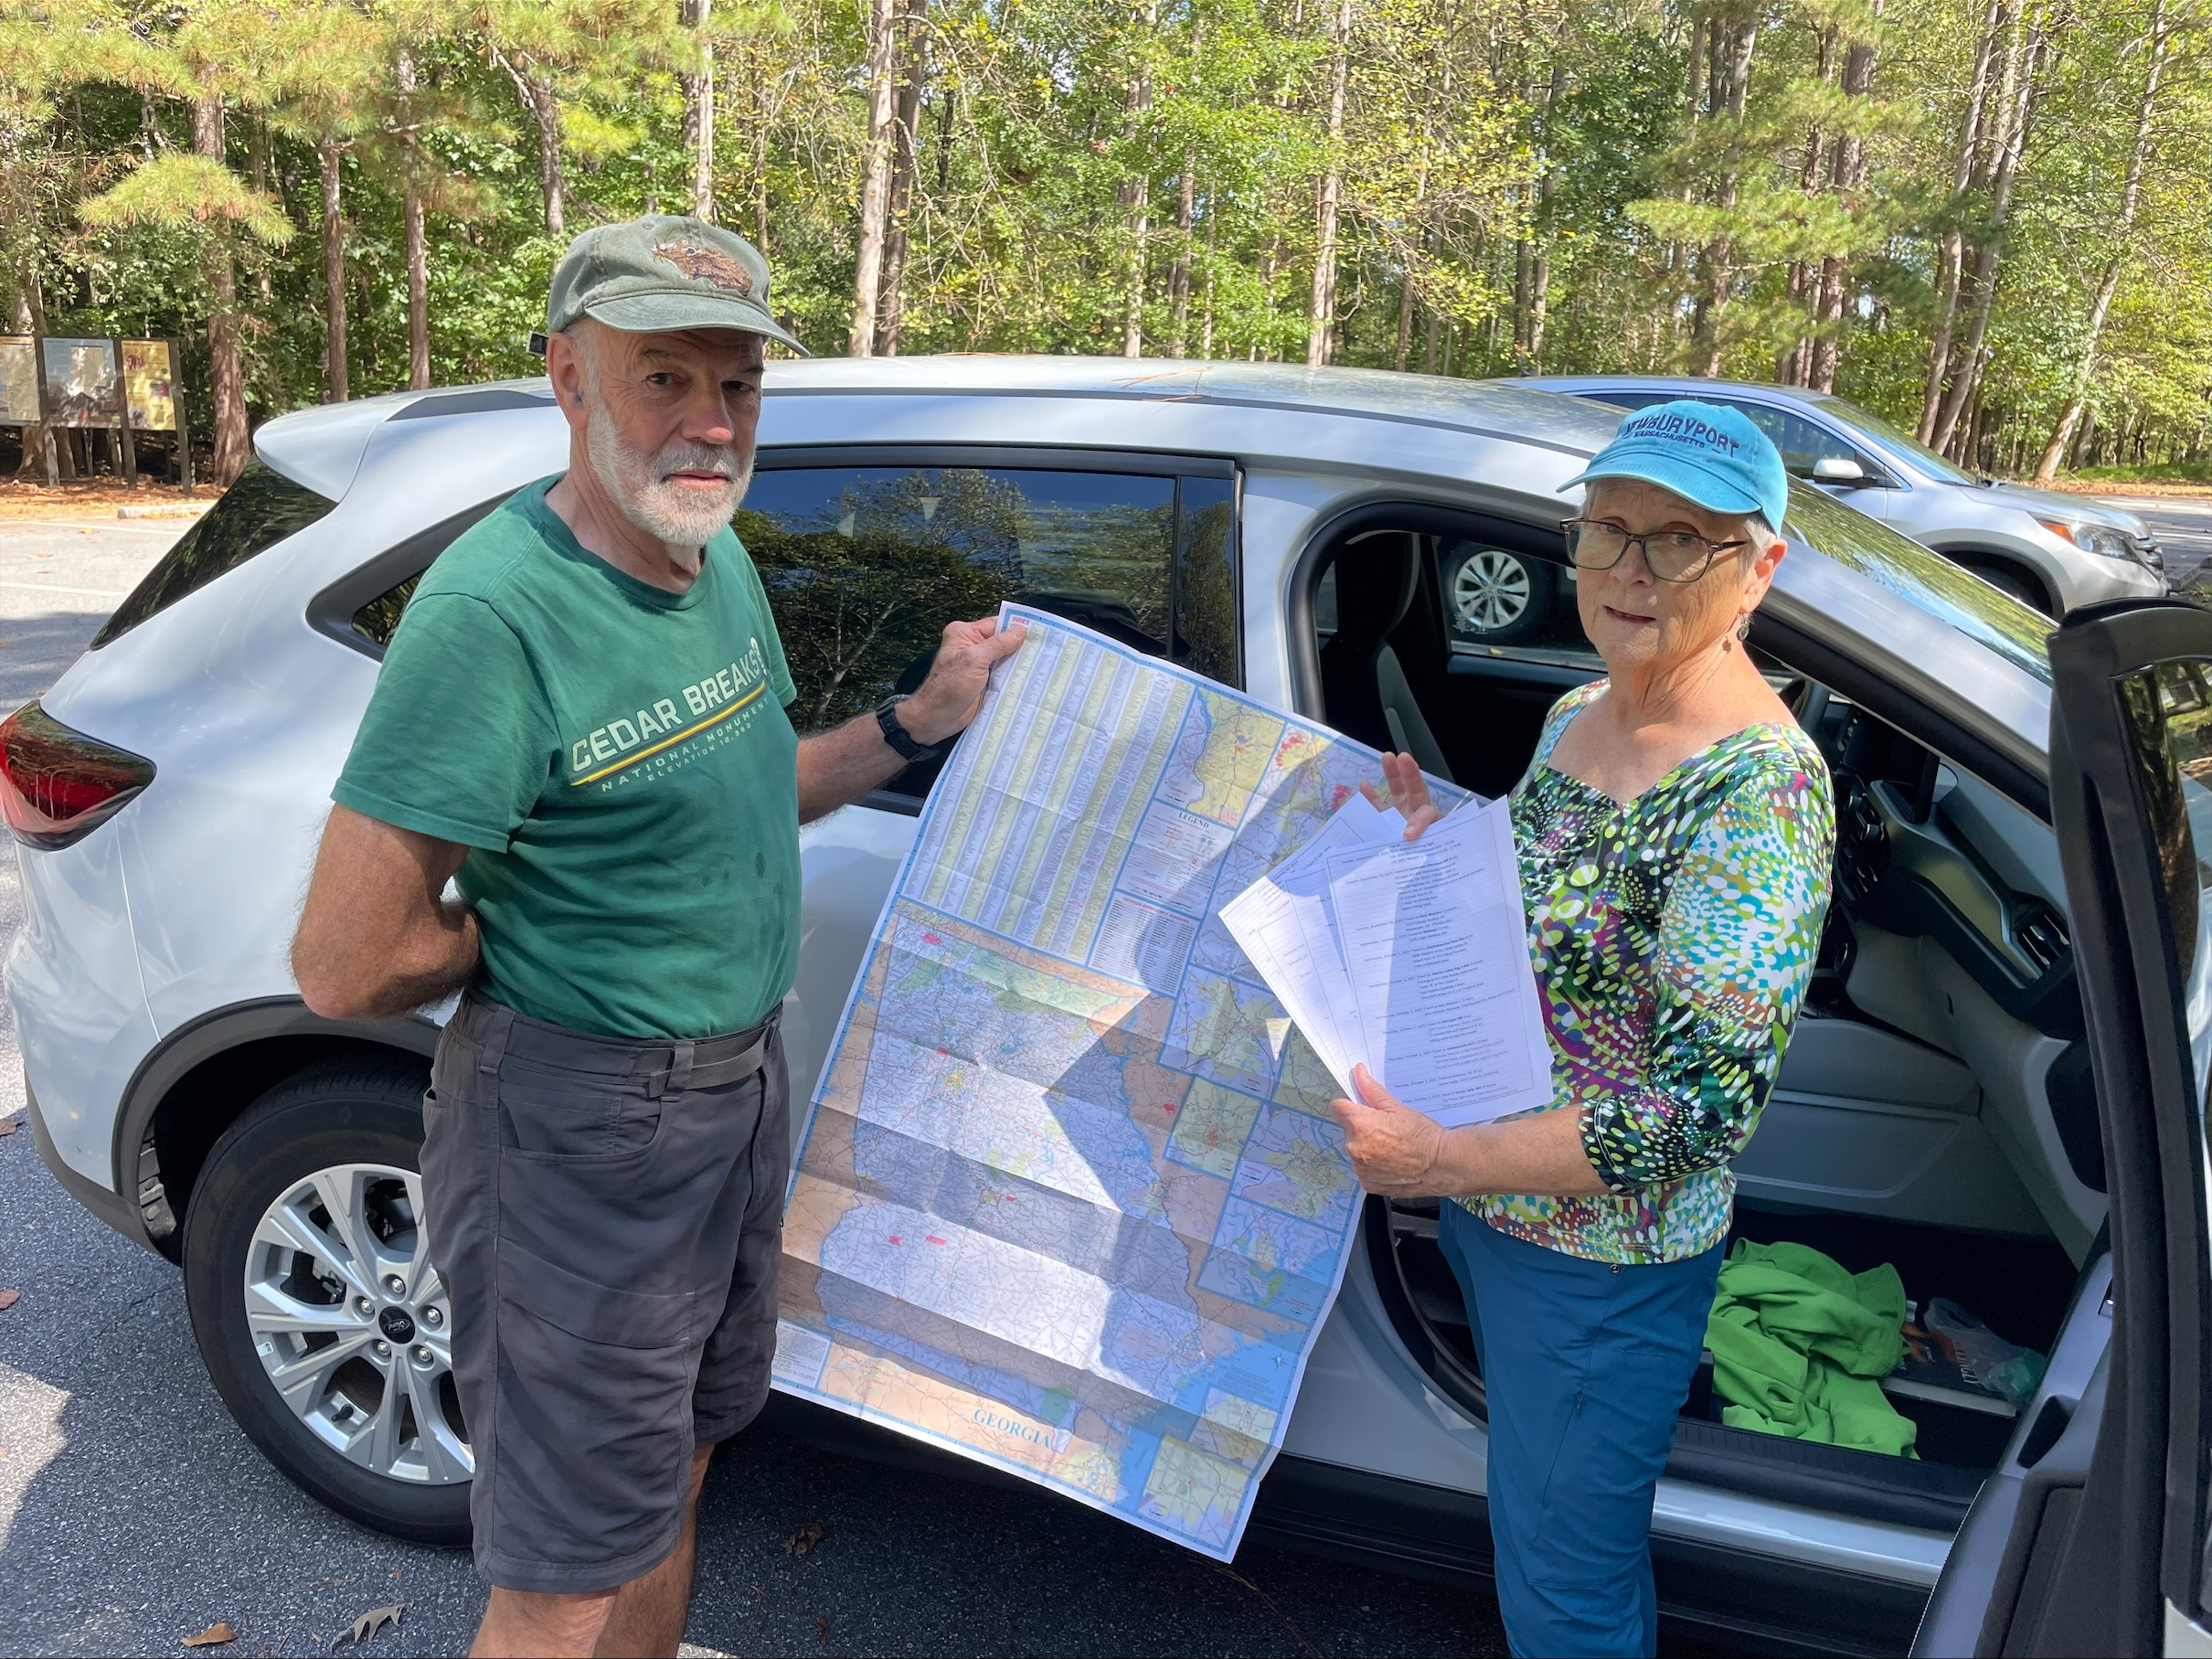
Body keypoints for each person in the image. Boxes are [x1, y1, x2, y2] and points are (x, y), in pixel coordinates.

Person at [290, 215, 1025, 1659]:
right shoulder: (495, 614)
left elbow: (753, 792)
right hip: (577, 1128)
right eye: (662, 377)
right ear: (570, 379)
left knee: (680, 1462)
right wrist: (499, 942)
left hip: (733, 1096)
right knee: (562, 1577)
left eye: (738, 384)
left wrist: (913, 724)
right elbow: (345, 962)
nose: (710, 422)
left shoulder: (716, 560)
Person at [1333, 401, 1836, 1659]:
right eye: (1609, 531)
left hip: (1600, 1264)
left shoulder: (1755, 792)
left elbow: (1700, 1112)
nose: (1630, 572)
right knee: (1540, 1530)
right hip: (1495, 1206)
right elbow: (1544, 912)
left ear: (1758, 566)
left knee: (1566, 1587)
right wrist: (1430, 845)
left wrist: (1442, 1164)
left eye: (1682, 541)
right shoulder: (1576, 713)